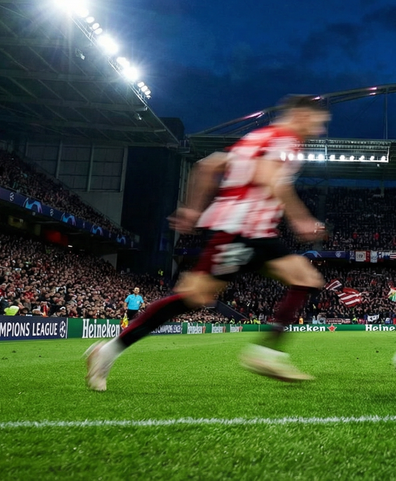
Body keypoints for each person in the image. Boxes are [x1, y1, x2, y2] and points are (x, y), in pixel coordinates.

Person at [85, 95, 331, 391]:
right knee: (194, 297)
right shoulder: (285, 140)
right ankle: (109, 350)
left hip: (252, 231)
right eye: (319, 122)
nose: (320, 130)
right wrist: (300, 218)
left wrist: (193, 208)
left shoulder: (257, 138)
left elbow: (208, 164)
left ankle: (268, 353)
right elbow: (269, 179)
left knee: (304, 277)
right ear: (302, 115)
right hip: (241, 230)